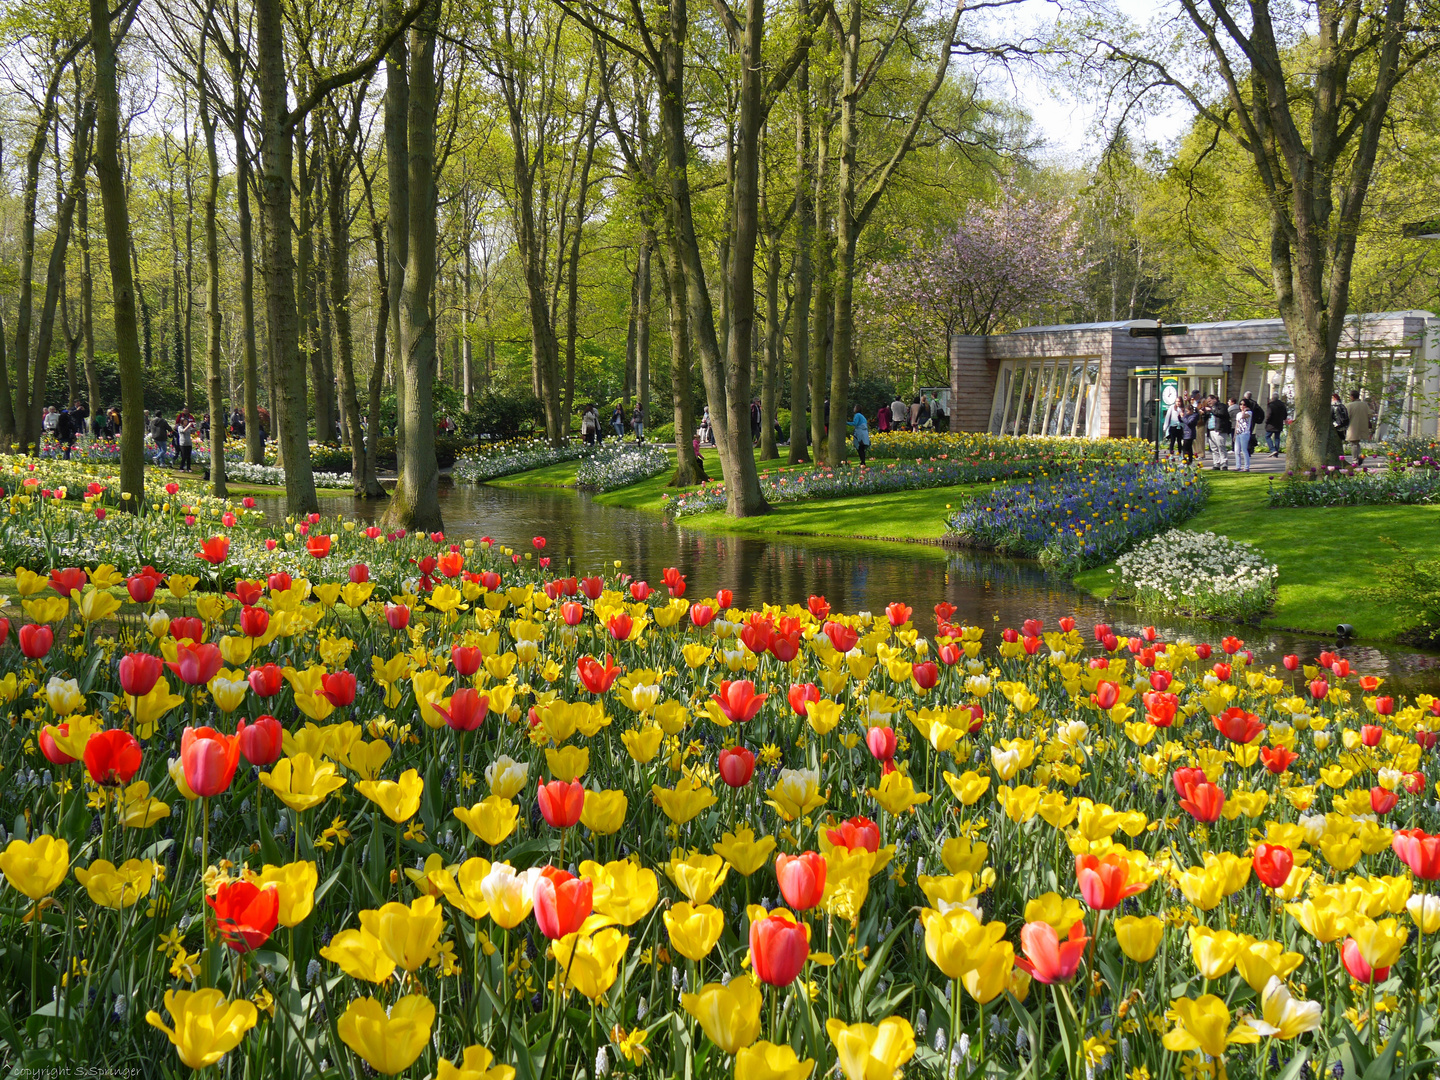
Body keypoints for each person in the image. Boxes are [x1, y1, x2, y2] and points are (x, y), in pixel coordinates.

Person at [1344, 389, 1371, 463]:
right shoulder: (1364, 404)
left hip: (1353, 427)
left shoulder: (1349, 405)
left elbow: (1346, 416)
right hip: (1362, 426)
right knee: (1357, 443)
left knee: (1353, 444)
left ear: (1352, 397)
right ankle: (1358, 457)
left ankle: (1355, 460)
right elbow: (1370, 414)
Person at [1206, 395, 1231, 470]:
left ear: (1215, 399)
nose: (1209, 403)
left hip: (1219, 429)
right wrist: (1204, 413)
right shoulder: (1210, 408)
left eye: (1210, 401)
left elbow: (1222, 414)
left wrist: (1211, 410)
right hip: (1211, 429)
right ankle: (1216, 463)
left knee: (1221, 446)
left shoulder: (1222, 406)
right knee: (1214, 448)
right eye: (1208, 402)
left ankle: (1224, 463)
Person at [1233, 397, 1253, 472]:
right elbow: (1237, 424)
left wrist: (1244, 411)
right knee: (1236, 450)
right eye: (1241, 404)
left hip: (1245, 433)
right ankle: (1238, 466)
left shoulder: (1249, 413)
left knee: (1244, 450)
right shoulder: (1238, 414)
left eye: (1244, 404)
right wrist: (1235, 435)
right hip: (1238, 433)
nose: (1242, 406)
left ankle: (1246, 467)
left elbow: (1243, 416)